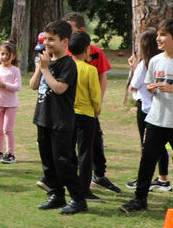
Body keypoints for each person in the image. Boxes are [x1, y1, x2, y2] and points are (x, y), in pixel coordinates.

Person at [120, 18, 173, 215]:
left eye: (163, 35)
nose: (158, 38)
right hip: (157, 119)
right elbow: (149, 84)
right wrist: (151, 87)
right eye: (158, 34)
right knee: (147, 158)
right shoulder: (155, 61)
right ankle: (140, 198)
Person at [31, 20, 84, 214]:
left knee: (64, 162)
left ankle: (78, 199)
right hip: (43, 117)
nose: (47, 43)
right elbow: (33, 85)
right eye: (46, 39)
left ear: (65, 42)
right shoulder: (46, 61)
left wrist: (45, 69)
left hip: (61, 122)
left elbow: (60, 89)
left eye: (52, 40)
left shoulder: (68, 64)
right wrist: (40, 67)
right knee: (48, 162)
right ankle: (57, 194)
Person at [65, 12, 120, 193]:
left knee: (93, 143)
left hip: (88, 110)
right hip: (78, 111)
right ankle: (79, 186)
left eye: (70, 29)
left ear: (81, 30)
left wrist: (98, 105)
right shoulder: (66, 56)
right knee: (78, 149)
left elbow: (102, 78)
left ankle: (98, 176)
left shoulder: (95, 52)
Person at [126, 28, 171, 193]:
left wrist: (134, 68)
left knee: (147, 145)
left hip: (145, 108)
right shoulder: (160, 61)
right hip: (158, 107)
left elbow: (133, 86)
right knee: (159, 144)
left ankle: (145, 178)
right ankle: (163, 178)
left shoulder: (144, 64)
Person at [69, 31, 103, 206]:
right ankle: (84, 188)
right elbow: (95, 95)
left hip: (68, 115)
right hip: (86, 115)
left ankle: (69, 185)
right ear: (87, 49)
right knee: (85, 153)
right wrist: (97, 109)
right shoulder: (90, 69)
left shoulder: (66, 66)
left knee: (69, 152)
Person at [0, 42, 21, 164]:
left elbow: (17, 87)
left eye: (7, 54)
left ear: (13, 56)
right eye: (2, 54)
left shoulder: (15, 70)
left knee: (7, 129)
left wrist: (5, 85)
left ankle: (10, 153)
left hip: (11, 104)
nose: (4, 57)